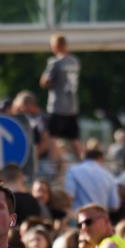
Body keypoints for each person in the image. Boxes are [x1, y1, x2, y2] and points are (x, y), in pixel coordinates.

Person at [39, 33, 83, 163]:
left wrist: (48, 82)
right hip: (72, 106)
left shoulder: (55, 62)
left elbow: (45, 82)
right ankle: (83, 162)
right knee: (74, 138)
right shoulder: (75, 61)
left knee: (52, 137)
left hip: (57, 106)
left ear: (56, 46)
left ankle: (55, 164)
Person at [64, 140, 119, 214]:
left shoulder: (73, 170)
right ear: (101, 158)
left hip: (80, 217)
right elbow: (114, 205)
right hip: (100, 219)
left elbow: (69, 195)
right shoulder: (109, 175)